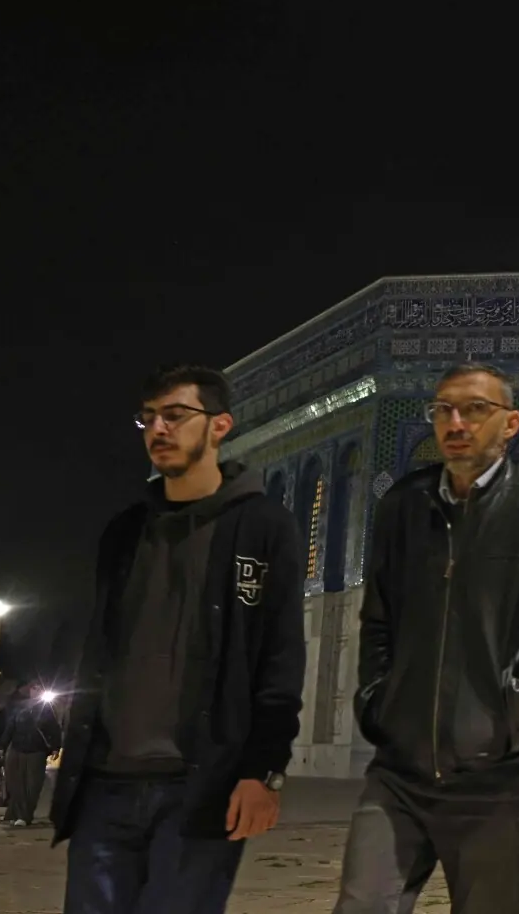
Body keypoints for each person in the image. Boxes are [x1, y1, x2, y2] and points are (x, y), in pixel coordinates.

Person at [334, 361, 519, 914]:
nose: (456, 423)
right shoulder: (403, 506)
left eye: (475, 409)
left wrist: (513, 715)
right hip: (400, 771)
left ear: (511, 424)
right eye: (443, 410)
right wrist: (378, 703)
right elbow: (379, 619)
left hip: (497, 781)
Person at [51, 364, 308, 914]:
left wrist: (263, 772)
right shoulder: (125, 532)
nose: (157, 430)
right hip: (107, 785)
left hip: (200, 788)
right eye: (148, 419)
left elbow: (278, 661)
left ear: (220, 426)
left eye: (175, 415)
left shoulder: (263, 527)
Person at [2, 684, 62, 826]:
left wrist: (55, 748)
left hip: (37, 751)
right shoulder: (20, 707)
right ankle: (17, 814)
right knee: (16, 784)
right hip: (17, 749)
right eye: (34, 688)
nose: (36, 691)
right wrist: (1, 746)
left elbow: (54, 729)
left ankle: (25, 815)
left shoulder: (46, 710)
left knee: (32, 785)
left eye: (39, 689)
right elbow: (10, 727)